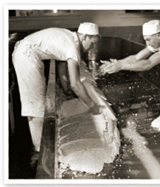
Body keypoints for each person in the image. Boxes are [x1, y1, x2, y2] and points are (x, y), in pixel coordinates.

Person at [12, 22, 102, 153]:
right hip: (26, 56)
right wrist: (92, 105)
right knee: (36, 104)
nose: (91, 48)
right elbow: (76, 84)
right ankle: (40, 150)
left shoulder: (69, 36)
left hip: (28, 53)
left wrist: (66, 89)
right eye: (92, 43)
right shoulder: (73, 46)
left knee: (37, 101)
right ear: (85, 37)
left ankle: (41, 145)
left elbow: (61, 64)